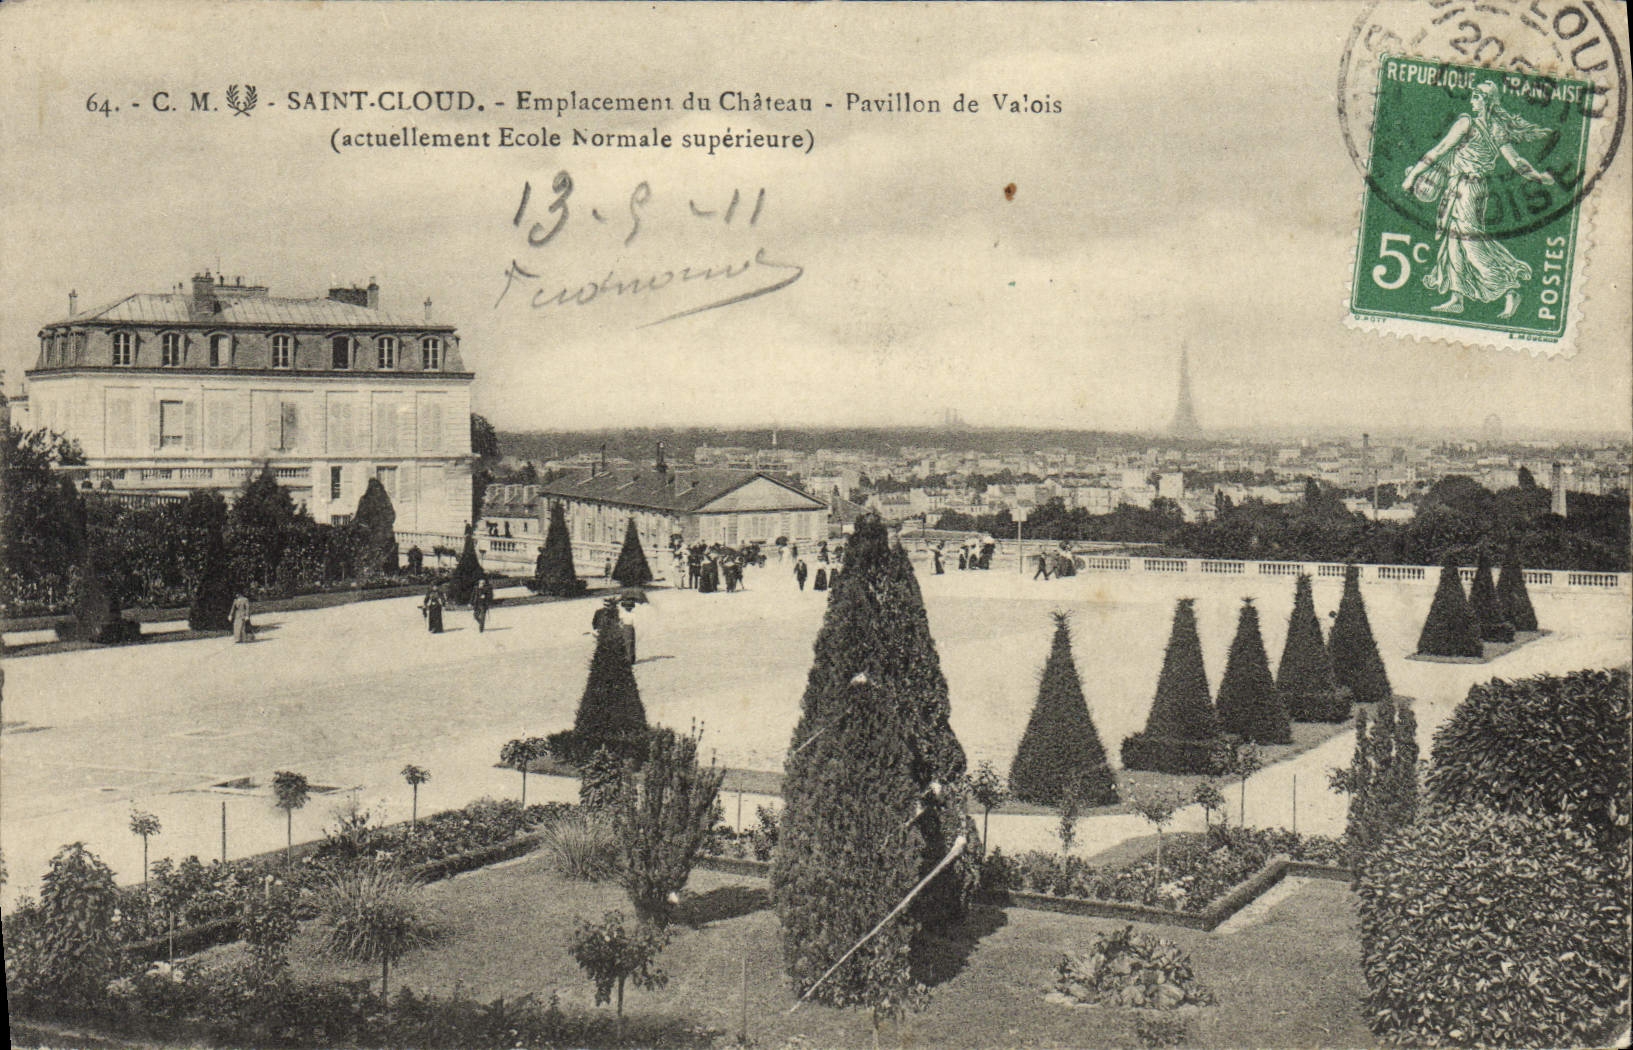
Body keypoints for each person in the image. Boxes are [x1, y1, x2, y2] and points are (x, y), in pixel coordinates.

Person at [1403, 80, 1556, 319]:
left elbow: (1440, 148)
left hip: (1467, 190)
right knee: (1453, 241)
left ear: (1485, 100)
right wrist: (1537, 176)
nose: (1472, 101)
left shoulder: (1468, 124)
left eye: (1476, 96)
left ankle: (1509, 289)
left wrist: (1412, 176)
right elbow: (1516, 162)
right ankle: (1456, 297)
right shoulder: (1496, 129)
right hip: (1467, 187)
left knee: (1471, 243)